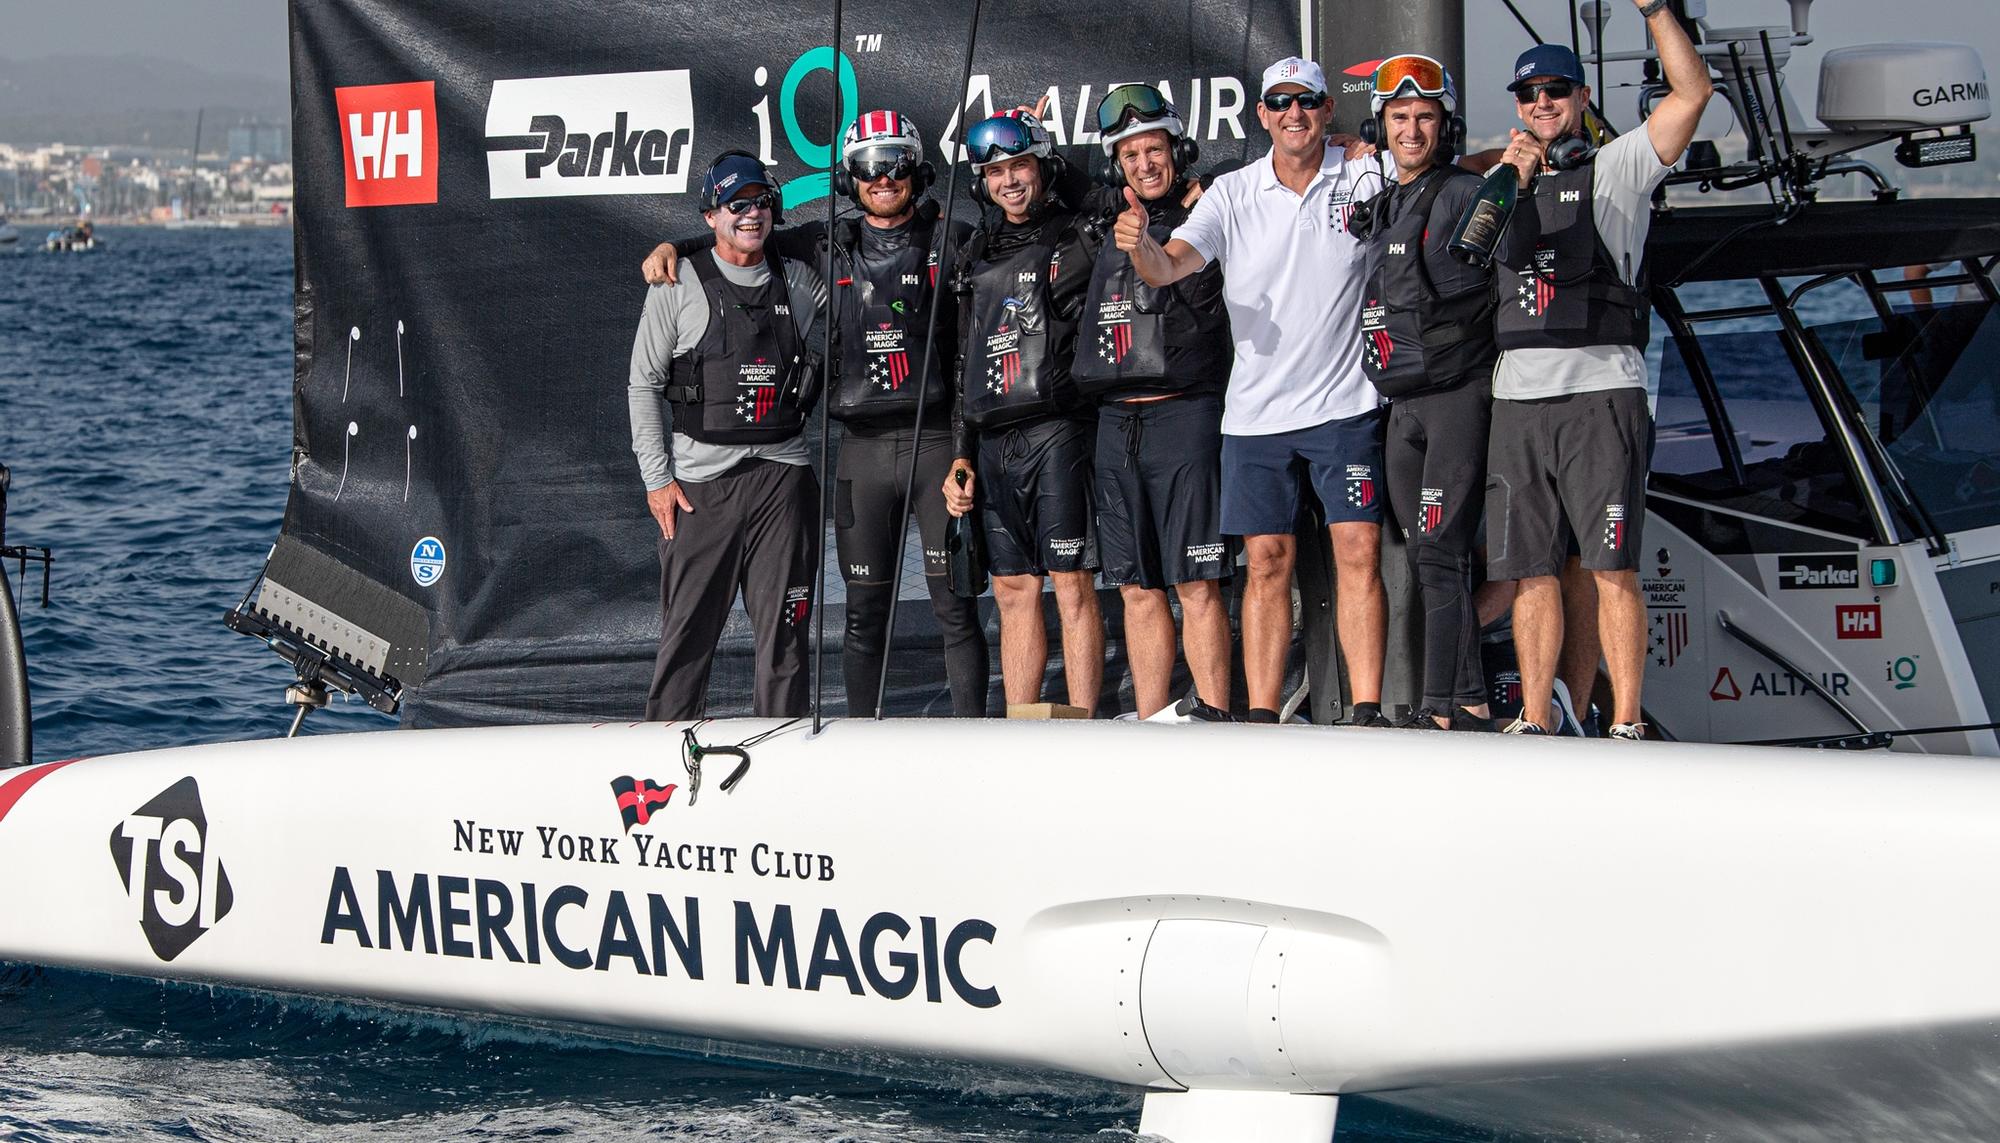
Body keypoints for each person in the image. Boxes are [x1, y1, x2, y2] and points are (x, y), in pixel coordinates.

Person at [641, 113, 989, 718]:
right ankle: (859, 746)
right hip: (860, 450)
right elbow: (742, 239)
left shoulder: (953, 237)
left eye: (897, 163)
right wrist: (680, 245)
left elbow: (1024, 233)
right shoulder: (826, 244)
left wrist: (964, 449)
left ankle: (973, 741)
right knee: (861, 615)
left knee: (955, 606)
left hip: (935, 442)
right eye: (869, 166)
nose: (885, 177)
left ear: (919, 169)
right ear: (848, 176)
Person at [1117, 57, 1391, 726]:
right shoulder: (1232, 192)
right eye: (1280, 103)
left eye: (1307, 102)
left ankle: (1367, 712)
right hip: (1257, 415)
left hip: (1346, 405)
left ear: (1327, 111)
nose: (1294, 114)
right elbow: (1171, 265)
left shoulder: (1363, 172)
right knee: (1267, 563)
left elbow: (1434, 173)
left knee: (1358, 551)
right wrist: (1139, 249)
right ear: (1263, 115)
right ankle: (1263, 718)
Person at [1484, 7, 1713, 739]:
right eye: (1529, 94)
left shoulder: (1618, 167)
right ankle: (1535, 718)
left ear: (1582, 100)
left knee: (1610, 565)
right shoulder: (1501, 180)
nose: (1542, 103)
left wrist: (1653, 12)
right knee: (1532, 571)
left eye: (1557, 90)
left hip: (1600, 391)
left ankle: (1624, 721)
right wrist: (1508, 176)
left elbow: (1691, 95)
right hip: (1519, 396)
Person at [1354, 55, 1534, 731]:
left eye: (1424, 117)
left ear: (1444, 124)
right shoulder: (1386, 203)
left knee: (1440, 552)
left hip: (1457, 397)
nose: (1411, 129)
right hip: (1401, 406)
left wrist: (1512, 173)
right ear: (1383, 126)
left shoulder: (1462, 192)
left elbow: (1511, 244)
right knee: (1427, 559)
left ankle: (1455, 706)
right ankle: (1452, 702)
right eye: (1399, 118)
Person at [627, 151, 827, 721]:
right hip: (701, 489)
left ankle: (782, 769)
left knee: (785, 642)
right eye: (737, 204)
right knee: (686, 641)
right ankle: (663, 770)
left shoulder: (802, 281)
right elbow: (643, 384)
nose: (752, 214)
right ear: (712, 213)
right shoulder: (676, 281)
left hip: (783, 482)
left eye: (763, 202)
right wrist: (657, 480)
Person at [1072, 85, 1233, 719]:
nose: (1145, 163)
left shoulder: (1213, 211)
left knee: (1195, 582)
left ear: (1179, 150)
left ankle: (1216, 715)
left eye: (1155, 149)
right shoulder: (1098, 219)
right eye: (1131, 153)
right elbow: (1044, 186)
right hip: (1116, 422)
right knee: (1137, 587)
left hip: (1186, 414)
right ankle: (1151, 719)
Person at [940, 111, 1103, 715]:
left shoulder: (1077, 232)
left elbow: (1123, 205)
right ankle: (1020, 726)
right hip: (990, 442)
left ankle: (1084, 724)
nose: (1009, 181)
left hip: (1058, 432)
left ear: (1043, 167)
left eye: (1021, 166)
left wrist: (1072, 170)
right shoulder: (972, 252)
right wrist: (960, 452)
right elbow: (961, 361)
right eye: (996, 171)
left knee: (1072, 586)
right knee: (1012, 590)